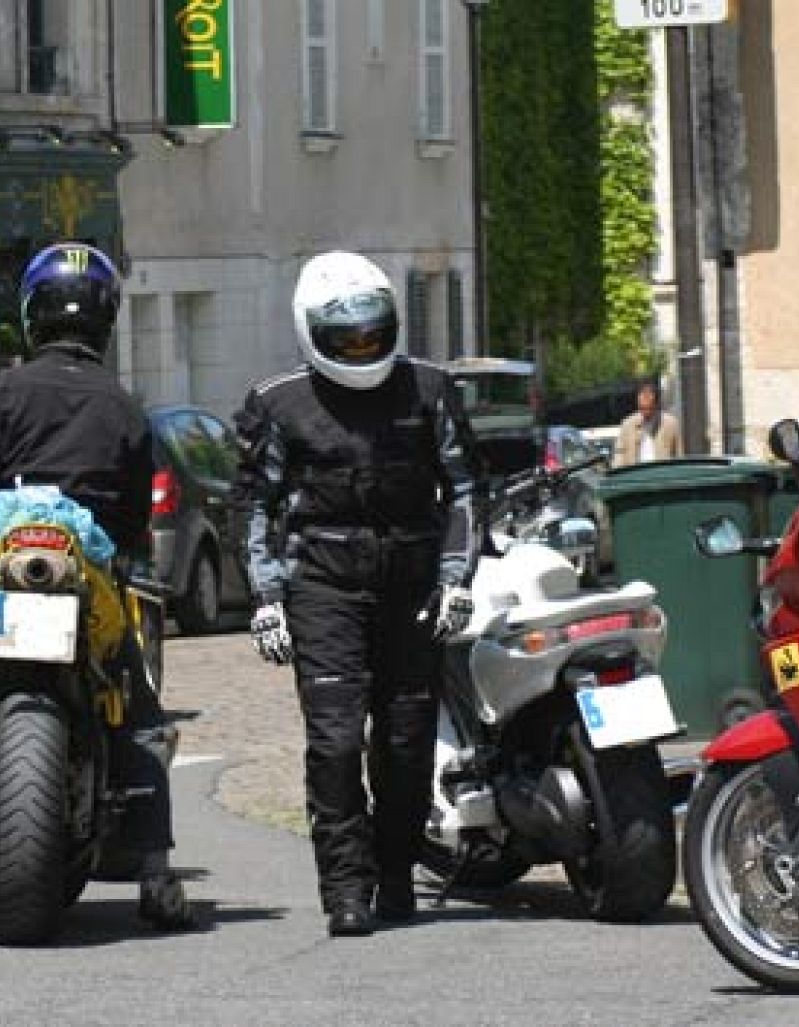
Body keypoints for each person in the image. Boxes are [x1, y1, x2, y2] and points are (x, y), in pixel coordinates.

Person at [0, 241, 194, 930]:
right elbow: (128, 521)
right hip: (85, 581)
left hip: (4, 566)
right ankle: (154, 874)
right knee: (139, 710)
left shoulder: (1, 392)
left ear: (32, 315)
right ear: (105, 319)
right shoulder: (123, 406)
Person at [233, 251, 480, 938]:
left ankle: (397, 870)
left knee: (405, 742)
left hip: (411, 582)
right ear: (313, 333)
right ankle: (346, 885)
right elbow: (255, 503)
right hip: (324, 586)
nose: (363, 347)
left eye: (373, 333)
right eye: (348, 338)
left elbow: (464, 487)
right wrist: (265, 598)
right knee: (337, 743)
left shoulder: (429, 390)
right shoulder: (278, 404)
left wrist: (457, 579)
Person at [613, 377, 682, 466]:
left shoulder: (670, 424)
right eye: (641, 408)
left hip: (662, 476)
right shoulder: (628, 425)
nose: (645, 412)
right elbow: (619, 456)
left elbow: (678, 456)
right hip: (635, 476)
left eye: (649, 408)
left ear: (656, 405)